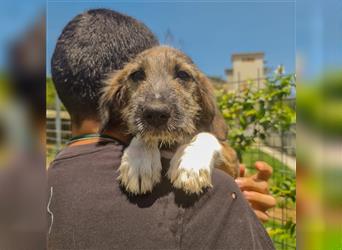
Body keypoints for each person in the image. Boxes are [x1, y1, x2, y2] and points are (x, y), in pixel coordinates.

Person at [48, 8, 275, 249]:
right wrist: (229, 205)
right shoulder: (207, 197)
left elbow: (226, 152)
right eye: (138, 76)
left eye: (182, 75)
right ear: (117, 97)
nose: (156, 98)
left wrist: (233, 197)